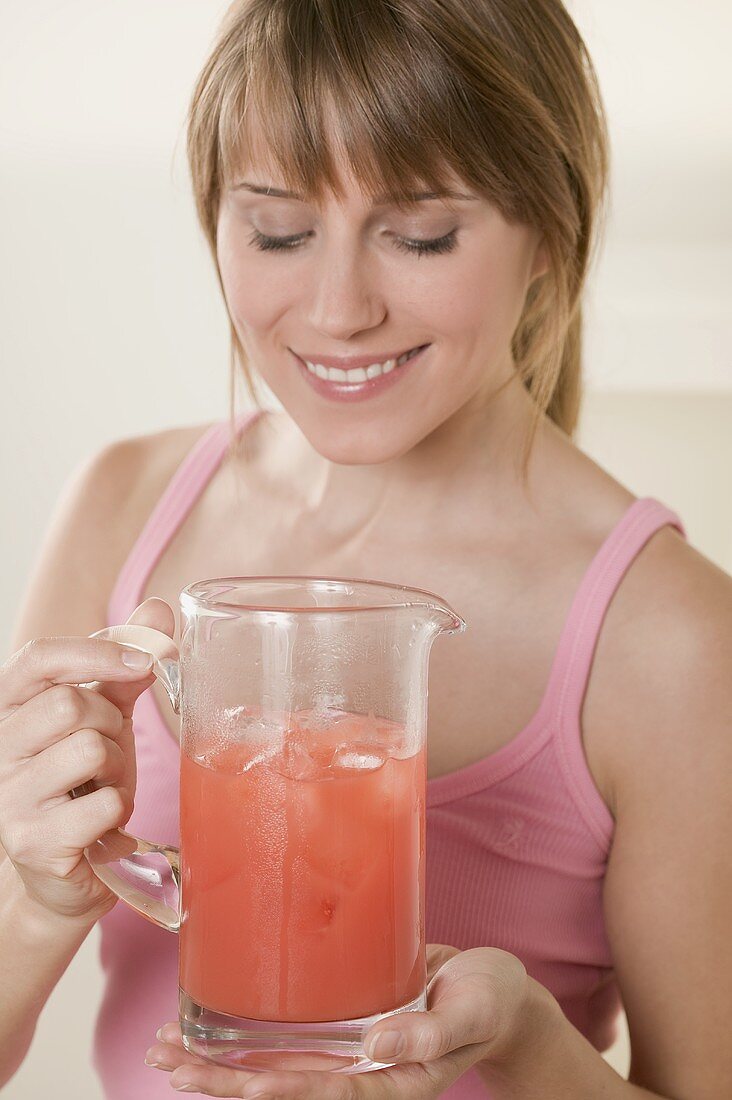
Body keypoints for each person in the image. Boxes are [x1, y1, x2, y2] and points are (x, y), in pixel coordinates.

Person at [1, 0, 730, 1097]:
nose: (338, 309)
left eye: (421, 235)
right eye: (279, 232)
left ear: (551, 231)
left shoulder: (670, 641)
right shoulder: (122, 502)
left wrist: (526, 1038)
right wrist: (35, 902)